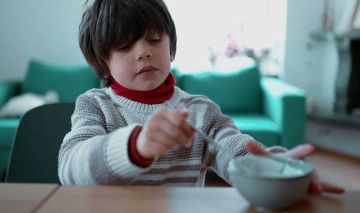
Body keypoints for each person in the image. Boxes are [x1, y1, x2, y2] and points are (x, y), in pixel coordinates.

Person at [58, 0, 344, 194]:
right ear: (103, 63)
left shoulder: (200, 111)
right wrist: (135, 146)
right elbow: (71, 170)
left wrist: (277, 171)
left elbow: (234, 149)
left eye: (155, 39)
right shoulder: (94, 105)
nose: (143, 51)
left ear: (170, 47)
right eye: (124, 46)